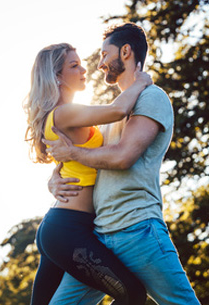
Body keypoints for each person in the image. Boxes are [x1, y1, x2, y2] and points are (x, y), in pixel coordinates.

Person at [43, 23, 201, 304]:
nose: (100, 63)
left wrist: (73, 155)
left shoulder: (152, 97)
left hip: (138, 230)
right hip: (100, 235)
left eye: (105, 54)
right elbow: (91, 158)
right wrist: (56, 176)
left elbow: (122, 157)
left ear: (126, 52)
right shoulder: (115, 109)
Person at [24, 42, 153, 304]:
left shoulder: (65, 114)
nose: (83, 69)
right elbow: (118, 110)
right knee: (133, 294)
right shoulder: (63, 113)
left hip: (64, 226)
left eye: (81, 63)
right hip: (68, 229)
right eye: (74, 65)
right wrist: (141, 82)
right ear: (57, 76)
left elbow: (70, 161)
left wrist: (54, 179)